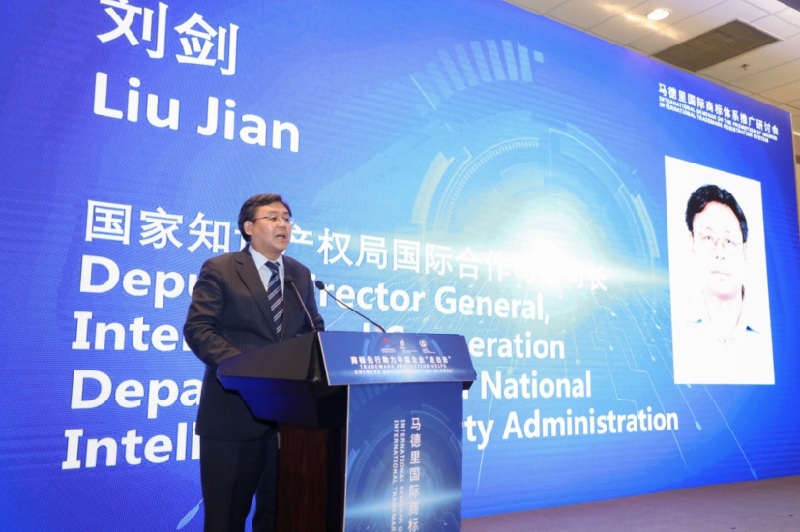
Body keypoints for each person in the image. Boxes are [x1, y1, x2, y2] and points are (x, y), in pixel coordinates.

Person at [184, 193, 324, 531]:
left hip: (289, 423)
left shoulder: (300, 274)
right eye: (272, 217)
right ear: (248, 227)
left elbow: (314, 331)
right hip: (233, 416)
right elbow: (199, 328)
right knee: (226, 519)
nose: (283, 224)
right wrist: (249, 371)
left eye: (287, 218)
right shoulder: (221, 268)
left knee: (281, 517)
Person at [673, 184, 773, 385]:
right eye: (708, 237)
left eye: (729, 241)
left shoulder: (771, 331)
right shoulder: (675, 326)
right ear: (692, 241)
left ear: (744, 250)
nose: (720, 252)